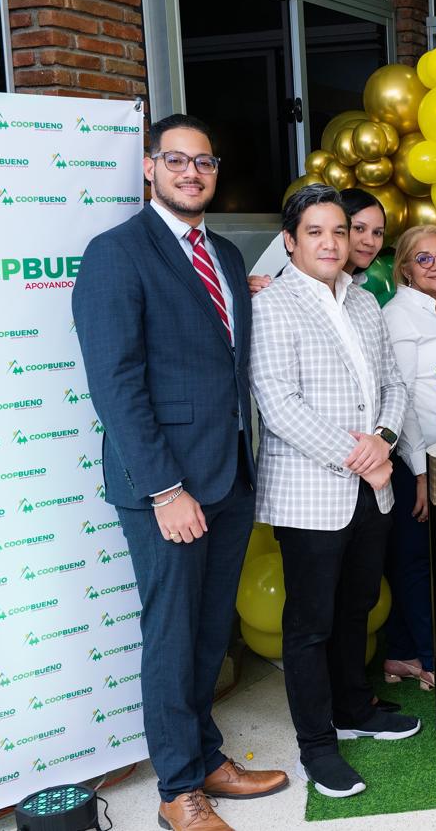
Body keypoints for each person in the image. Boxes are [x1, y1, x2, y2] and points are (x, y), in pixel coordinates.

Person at [72, 113, 288, 831]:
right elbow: (116, 384)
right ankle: (178, 789)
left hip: (227, 475)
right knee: (171, 636)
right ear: (149, 167)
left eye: (204, 162)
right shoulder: (115, 253)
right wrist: (166, 489)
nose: (192, 172)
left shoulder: (222, 254)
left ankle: (206, 756)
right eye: (176, 160)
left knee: (208, 632)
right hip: (166, 489)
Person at [249, 184, 418, 800]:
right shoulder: (273, 304)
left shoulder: (365, 302)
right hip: (312, 492)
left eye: (339, 232)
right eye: (315, 232)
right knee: (310, 624)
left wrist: (384, 439)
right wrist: (362, 458)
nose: (330, 243)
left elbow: (394, 384)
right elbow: (279, 404)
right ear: (290, 241)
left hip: (372, 487)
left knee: (356, 607)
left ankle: (354, 708)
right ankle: (317, 745)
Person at [380, 224, 436, 689]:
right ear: (406, 269)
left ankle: (400, 653)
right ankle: (432, 660)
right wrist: (417, 471)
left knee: (420, 554)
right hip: (415, 460)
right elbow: (403, 397)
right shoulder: (399, 315)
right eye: (424, 258)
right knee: (417, 561)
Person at [248, 187, 385, 293]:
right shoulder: (275, 291)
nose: (370, 241)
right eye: (359, 228)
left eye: (378, 232)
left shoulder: (362, 296)